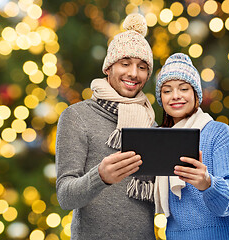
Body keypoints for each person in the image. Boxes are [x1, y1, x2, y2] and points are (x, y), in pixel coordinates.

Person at [55, 13, 156, 239]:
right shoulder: (77, 116)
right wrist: (99, 177)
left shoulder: (150, 122)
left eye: (142, 67)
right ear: (108, 67)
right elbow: (65, 196)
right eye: (125, 63)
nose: (133, 73)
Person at [154, 53, 229, 239]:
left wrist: (208, 184)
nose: (175, 96)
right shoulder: (160, 140)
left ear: (195, 94)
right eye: (167, 91)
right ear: (161, 99)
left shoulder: (217, 132)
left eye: (183, 89)